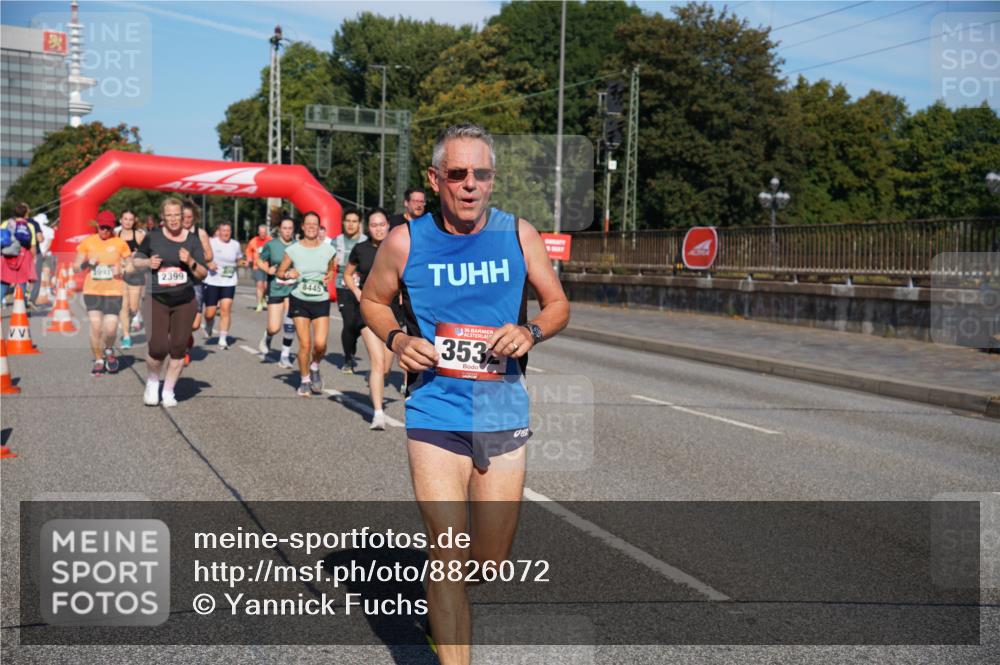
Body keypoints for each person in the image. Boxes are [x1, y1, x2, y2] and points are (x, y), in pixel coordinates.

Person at [360, 124, 570, 663]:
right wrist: (399, 337)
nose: (470, 184)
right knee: (449, 555)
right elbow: (374, 300)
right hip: (435, 408)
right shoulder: (406, 239)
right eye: (458, 173)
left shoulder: (518, 233)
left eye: (481, 173)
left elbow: (557, 303)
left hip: (502, 405)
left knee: (491, 561)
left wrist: (531, 332)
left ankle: (440, 595)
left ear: (492, 179)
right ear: (435, 179)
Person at [132, 197, 208, 407]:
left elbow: (203, 274)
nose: (174, 219)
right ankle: (153, 381)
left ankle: (168, 391)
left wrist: (191, 261)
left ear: (183, 216)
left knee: (178, 348)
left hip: (184, 301)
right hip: (157, 299)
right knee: (157, 348)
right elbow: (136, 261)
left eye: (177, 215)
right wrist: (148, 262)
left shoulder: (192, 240)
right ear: (163, 218)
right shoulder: (153, 237)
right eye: (169, 215)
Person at [344, 209, 395, 430]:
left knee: (385, 368)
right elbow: (347, 273)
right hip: (368, 310)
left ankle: (374, 383)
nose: (378, 228)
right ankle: (378, 413)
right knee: (377, 362)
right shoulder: (360, 249)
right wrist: (356, 291)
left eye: (382, 224)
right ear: (369, 228)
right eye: (374, 225)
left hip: (394, 312)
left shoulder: (398, 247)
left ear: (388, 225)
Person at [275, 211, 336, 397]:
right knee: (305, 344)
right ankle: (304, 380)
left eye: (315, 224)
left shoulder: (328, 249)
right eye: (308, 224)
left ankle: (315, 365)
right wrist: (288, 274)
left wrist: (331, 274)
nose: (311, 227)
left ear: (319, 228)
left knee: (320, 345)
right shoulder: (293, 249)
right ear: (302, 226)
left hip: (320, 300)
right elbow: (279, 272)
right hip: (299, 299)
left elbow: (332, 267)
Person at [73, 210, 131, 375]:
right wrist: (86, 264)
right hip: (93, 291)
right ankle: (99, 359)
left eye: (108, 228)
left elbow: (131, 265)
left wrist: (123, 268)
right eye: (102, 227)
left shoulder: (120, 243)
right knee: (96, 327)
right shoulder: (88, 242)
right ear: (97, 226)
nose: (105, 231)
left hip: (114, 291)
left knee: (111, 329)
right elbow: (75, 266)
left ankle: (109, 350)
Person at [256, 217, 297, 368]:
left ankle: (285, 355)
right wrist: (267, 269)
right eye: (285, 228)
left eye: (290, 228)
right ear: (280, 229)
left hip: (292, 289)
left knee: (290, 324)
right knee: (274, 327)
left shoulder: (297, 245)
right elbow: (260, 260)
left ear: (293, 230)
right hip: (275, 288)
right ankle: (267, 337)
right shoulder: (271, 245)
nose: (287, 231)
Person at [331, 208, 367, 373]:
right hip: (343, 287)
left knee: (361, 323)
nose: (351, 224)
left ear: (359, 224)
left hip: (363, 288)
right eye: (348, 221)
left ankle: (351, 343)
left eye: (354, 221)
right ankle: (348, 358)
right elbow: (328, 264)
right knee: (349, 321)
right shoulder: (336, 242)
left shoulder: (366, 241)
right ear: (343, 223)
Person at [202, 221, 244, 349]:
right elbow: (202, 256)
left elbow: (238, 259)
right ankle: (209, 325)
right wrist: (209, 264)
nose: (226, 233)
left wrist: (243, 262)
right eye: (223, 230)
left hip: (229, 281)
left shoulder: (235, 245)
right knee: (210, 313)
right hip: (212, 281)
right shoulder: (211, 242)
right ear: (218, 231)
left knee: (226, 309)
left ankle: (222, 338)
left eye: (228, 231)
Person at [181, 201, 213, 365]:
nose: (187, 220)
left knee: (194, 324)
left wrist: (194, 257)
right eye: (184, 217)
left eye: (190, 217)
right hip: (177, 280)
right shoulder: (173, 233)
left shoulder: (200, 233)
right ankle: (183, 350)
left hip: (195, 279)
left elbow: (209, 255)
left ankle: (188, 338)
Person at [116, 209, 146, 349]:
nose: (127, 222)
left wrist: (137, 255)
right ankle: (126, 336)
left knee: (133, 308)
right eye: (125, 219)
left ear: (134, 221)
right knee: (123, 305)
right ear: (121, 220)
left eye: (130, 219)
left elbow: (147, 253)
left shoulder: (139, 236)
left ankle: (129, 319)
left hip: (136, 275)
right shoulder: (116, 236)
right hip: (120, 275)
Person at [1, 203, 38, 305]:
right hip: (23, 255)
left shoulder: (6, 223)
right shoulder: (29, 226)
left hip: (7, 254)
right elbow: (32, 245)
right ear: (26, 213)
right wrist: (33, 259)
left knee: (4, 281)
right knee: (22, 281)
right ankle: (21, 306)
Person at [246, 224, 272, 312]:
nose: (262, 234)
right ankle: (259, 304)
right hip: (257, 266)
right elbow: (248, 251)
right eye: (261, 232)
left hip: (268, 266)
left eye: (264, 232)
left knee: (265, 286)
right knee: (259, 284)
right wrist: (249, 259)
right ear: (258, 232)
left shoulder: (270, 240)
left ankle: (263, 298)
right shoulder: (253, 241)